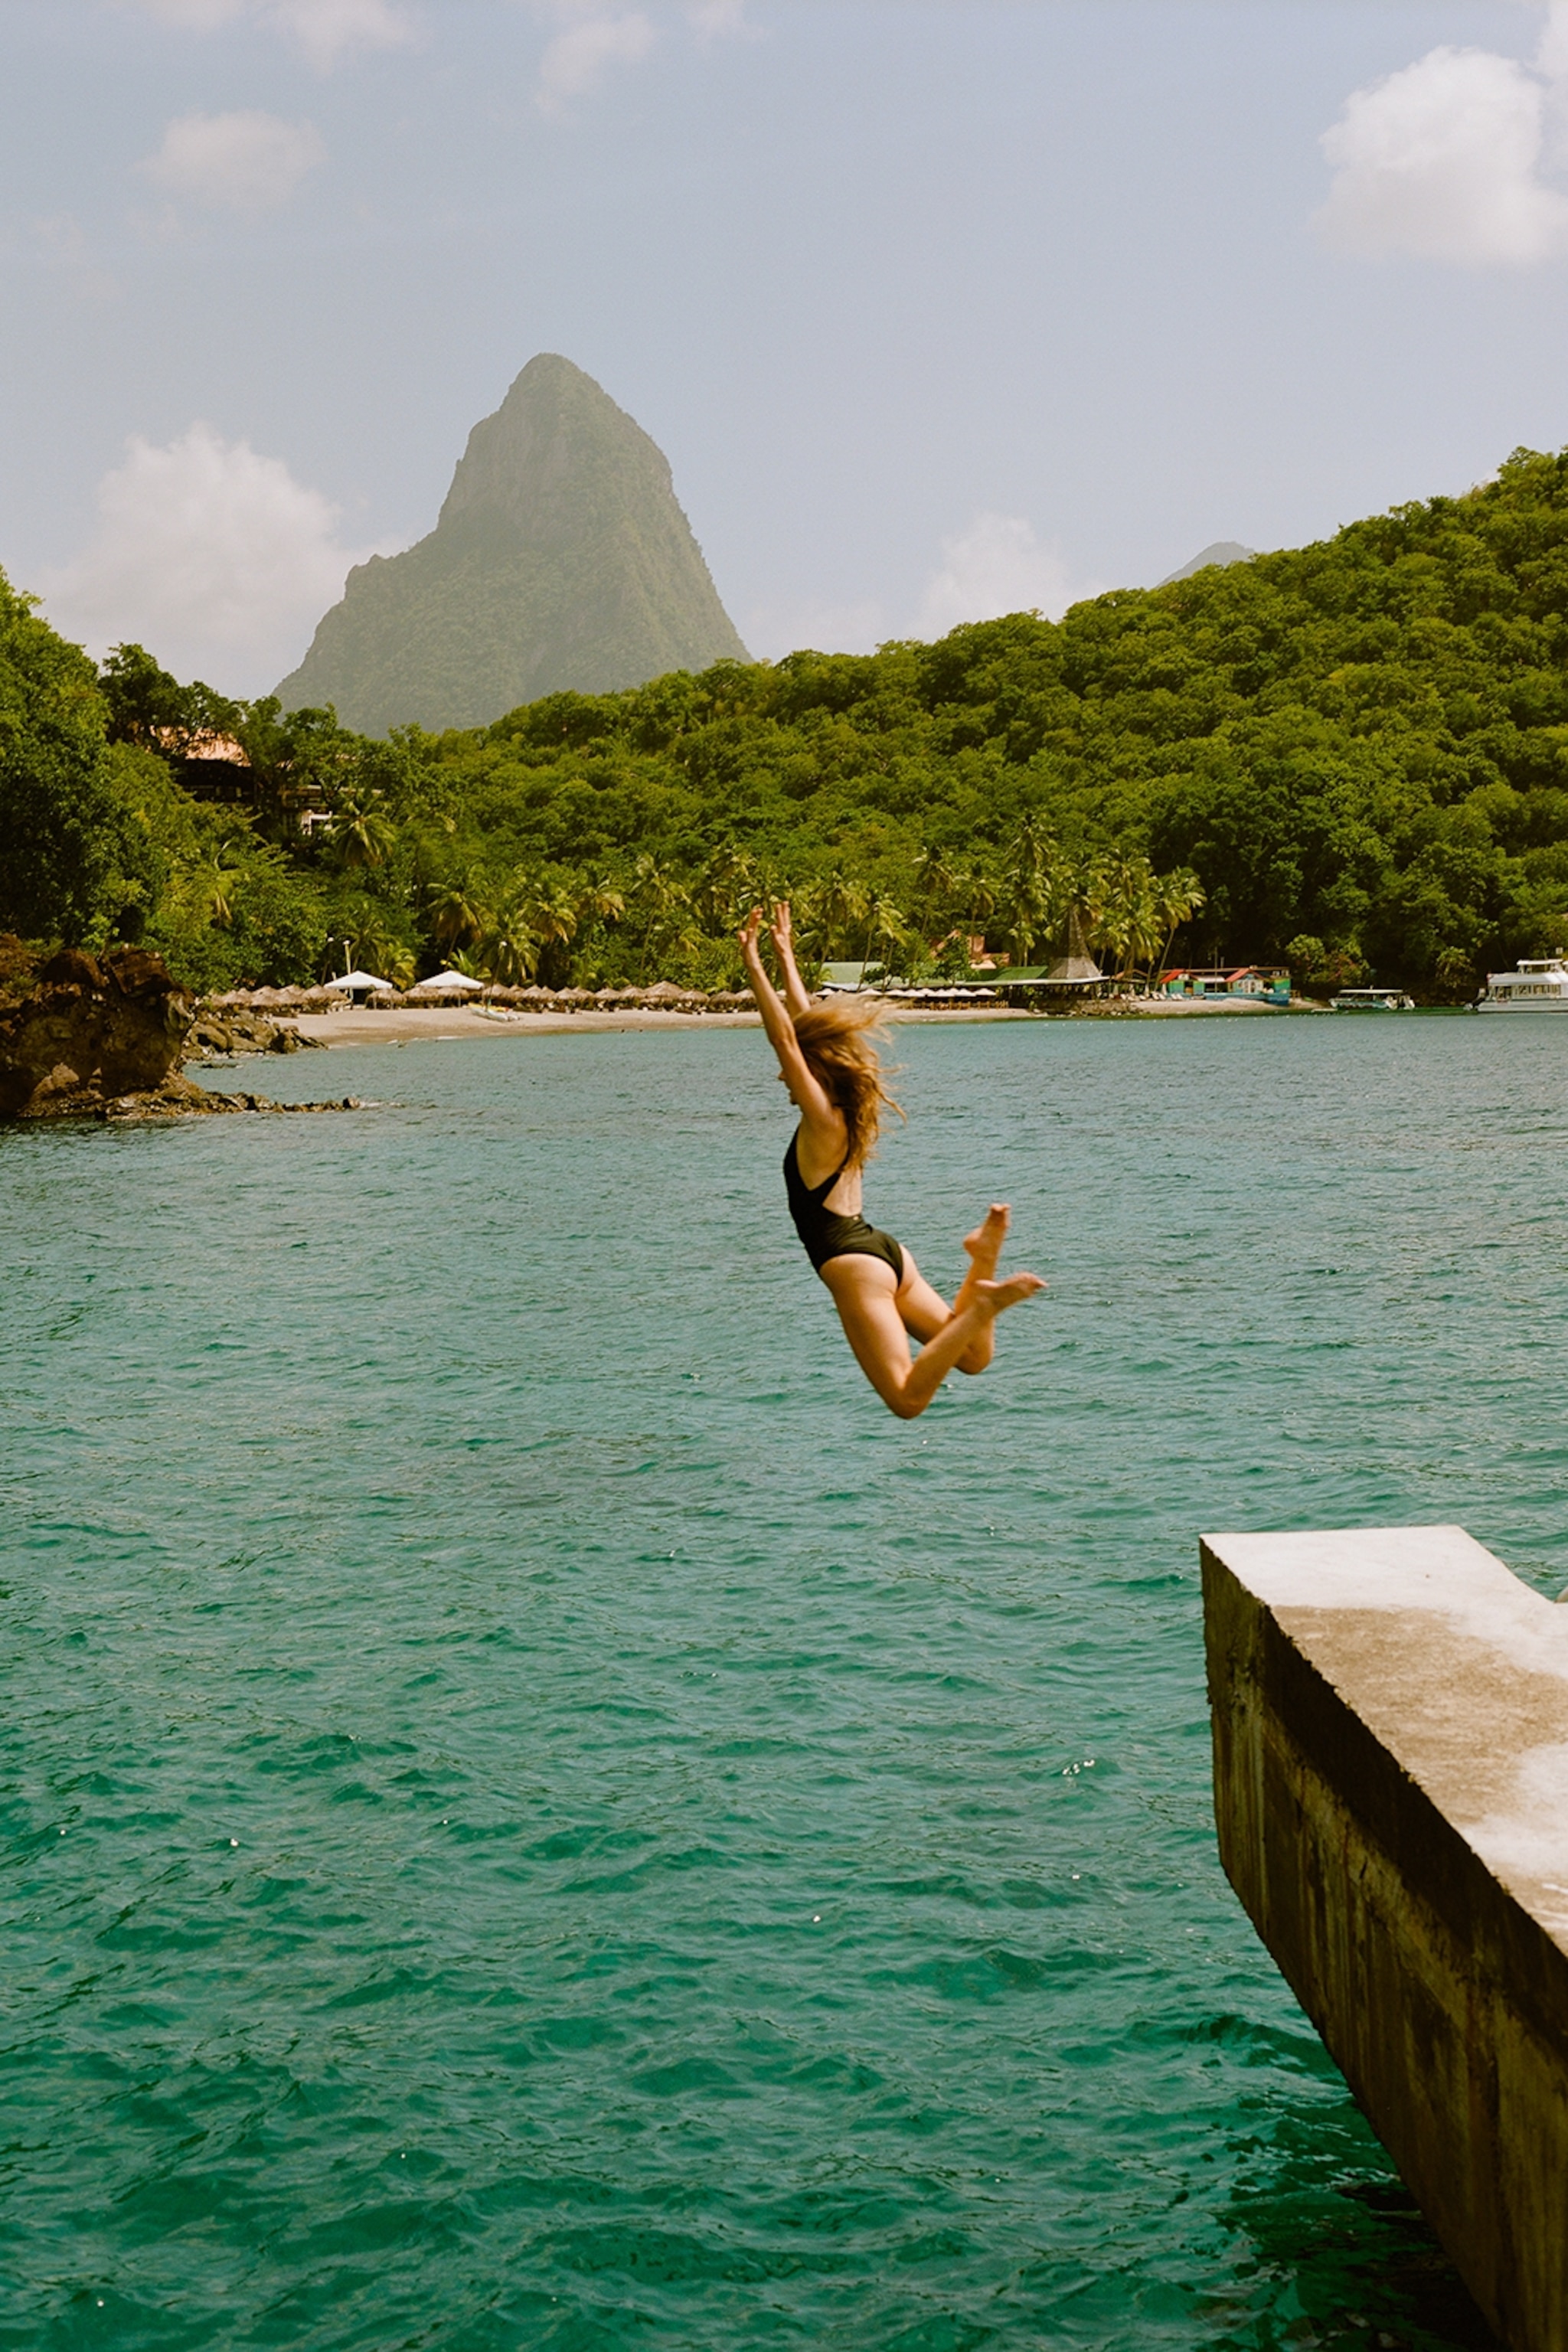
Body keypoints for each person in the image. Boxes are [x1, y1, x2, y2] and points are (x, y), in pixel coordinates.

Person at [739, 900, 1044, 1419]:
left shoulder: (825, 1120)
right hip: (885, 1252)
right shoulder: (852, 1111)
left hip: (855, 1265)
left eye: (790, 1072)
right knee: (972, 1357)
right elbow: (804, 1027)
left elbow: (786, 1038)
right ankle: (982, 1261)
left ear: (813, 1073)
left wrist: (753, 964)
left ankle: (987, 1302)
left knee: (906, 1398)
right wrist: (785, 955)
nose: (780, 1078)